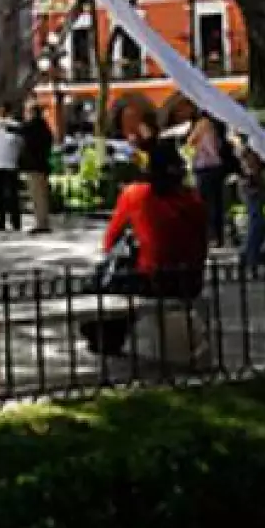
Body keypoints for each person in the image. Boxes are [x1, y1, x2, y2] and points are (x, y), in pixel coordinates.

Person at [81, 138, 208, 356]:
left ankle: (105, 339)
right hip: (191, 278)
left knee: (105, 283)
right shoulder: (194, 199)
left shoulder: (137, 195)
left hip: (154, 279)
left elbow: (110, 240)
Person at [189, 114, 230, 247]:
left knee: (205, 204)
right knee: (216, 204)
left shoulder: (199, 127)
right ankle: (217, 236)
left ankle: (208, 236)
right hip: (214, 168)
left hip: (203, 169)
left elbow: (190, 145)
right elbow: (215, 149)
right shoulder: (213, 127)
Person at [19, 105, 55, 235]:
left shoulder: (33, 126)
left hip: (34, 166)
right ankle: (43, 222)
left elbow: (19, 130)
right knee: (42, 196)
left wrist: (4, 125)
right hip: (42, 165)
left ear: (33, 113)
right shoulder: (45, 127)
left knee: (37, 195)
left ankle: (41, 224)